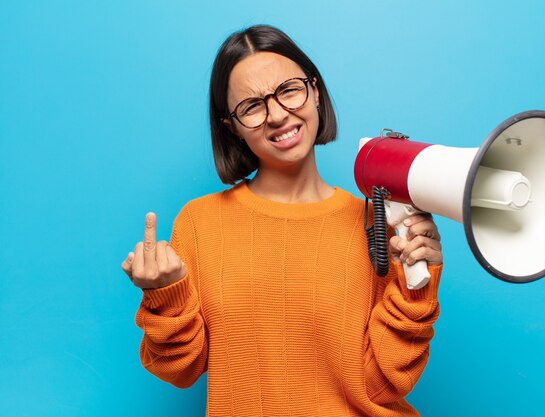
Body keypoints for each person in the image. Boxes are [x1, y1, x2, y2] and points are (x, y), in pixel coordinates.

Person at [121, 24, 443, 417]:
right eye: (252, 107)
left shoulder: (379, 223)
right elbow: (182, 370)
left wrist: (417, 289)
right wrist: (166, 296)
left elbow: (380, 384)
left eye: (289, 90)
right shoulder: (198, 223)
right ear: (232, 128)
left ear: (315, 92)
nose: (277, 115)